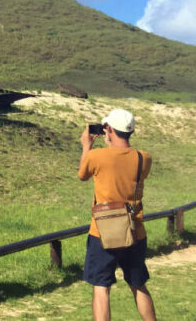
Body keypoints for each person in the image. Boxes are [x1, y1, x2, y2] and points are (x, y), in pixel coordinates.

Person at [78, 108, 155, 321]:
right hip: (134, 230)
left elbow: (82, 174)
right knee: (138, 285)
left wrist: (87, 146)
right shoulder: (144, 158)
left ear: (109, 129)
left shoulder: (96, 156)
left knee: (101, 288)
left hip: (102, 233)